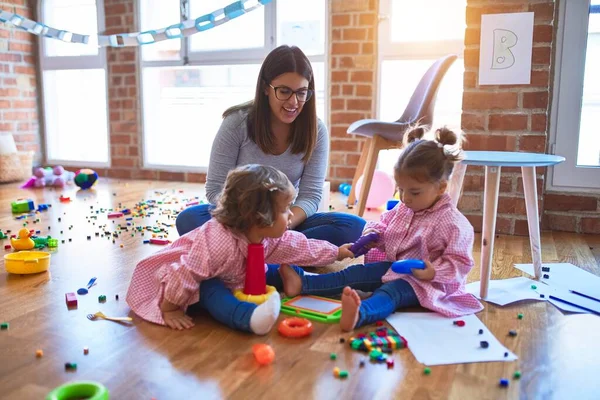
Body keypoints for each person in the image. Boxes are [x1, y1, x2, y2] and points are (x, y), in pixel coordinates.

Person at [279, 126, 484, 331]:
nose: (405, 198)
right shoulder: (405, 207)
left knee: (390, 293)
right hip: (395, 267)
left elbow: (460, 262)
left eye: (414, 192)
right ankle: (304, 284)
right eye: (401, 190)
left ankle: (360, 313)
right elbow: (383, 222)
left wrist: (433, 272)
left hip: (428, 284)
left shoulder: (454, 224)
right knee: (356, 273)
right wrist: (373, 234)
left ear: (441, 187)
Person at [126, 165, 354, 334]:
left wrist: (336, 252)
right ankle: (248, 317)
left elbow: (298, 245)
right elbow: (186, 272)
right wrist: (170, 307)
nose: (291, 215)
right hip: (186, 283)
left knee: (268, 269)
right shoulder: (218, 241)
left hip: (233, 274)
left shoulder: (264, 235)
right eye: (285, 210)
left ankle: (299, 281)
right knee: (212, 290)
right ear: (260, 217)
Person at [175, 45, 365, 246]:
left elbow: (311, 196)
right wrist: (252, 224)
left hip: (285, 221)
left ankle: (248, 255)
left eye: (301, 92)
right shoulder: (236, 123)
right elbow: (215, 189)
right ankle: (280, 257)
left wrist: (281, 225)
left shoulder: (316, 131)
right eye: (284, 91)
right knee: (190, 219)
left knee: (353, 227)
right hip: (239, 221)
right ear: (266, 88)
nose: (293, 102)